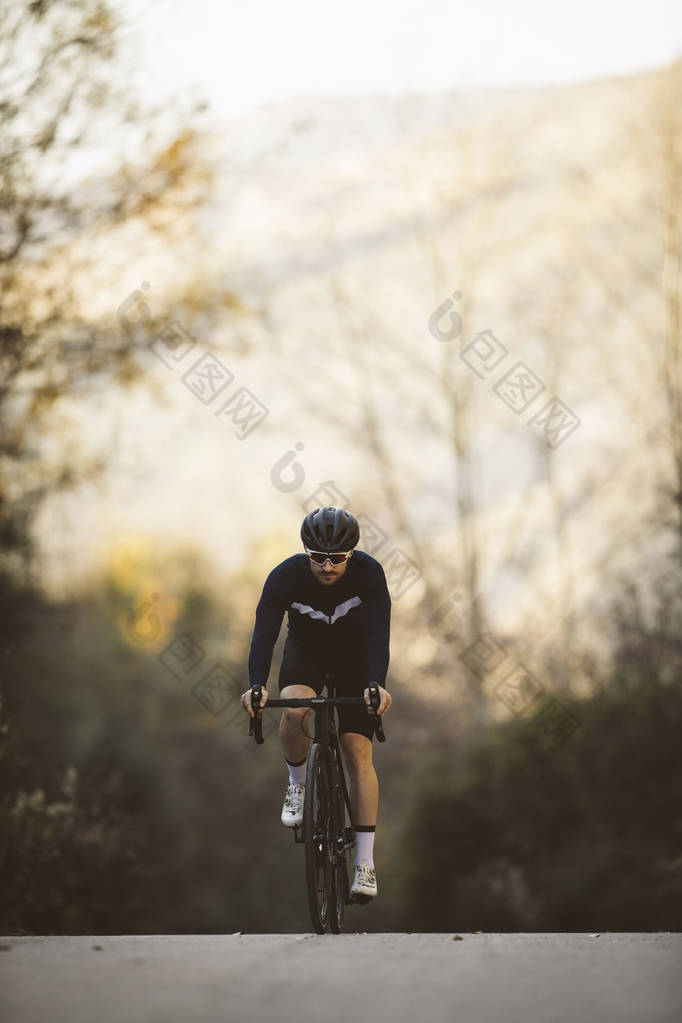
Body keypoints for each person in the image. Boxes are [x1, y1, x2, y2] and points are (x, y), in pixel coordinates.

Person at [241, 505, 392, 898]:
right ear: (305, 552)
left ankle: (364, 862)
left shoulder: (369, 574)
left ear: (352, 555)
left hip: (355, 657)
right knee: (293, 710)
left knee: (356, 749)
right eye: (318, 558)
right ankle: (297, 784)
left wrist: (378, 684)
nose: (327, 567)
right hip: (306, 650)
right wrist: (256, 685)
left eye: (337, 559)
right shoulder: (285, 577)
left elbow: (379, 634)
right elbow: (263, 635)